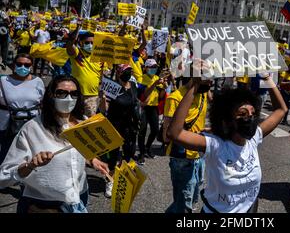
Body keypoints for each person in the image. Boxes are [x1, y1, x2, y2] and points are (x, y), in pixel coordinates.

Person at [166, 71, 288, 213]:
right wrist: (195, 85)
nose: (249, 117)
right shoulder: (215, 145)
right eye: (242, 114)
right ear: (226, 121)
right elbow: (174, 133)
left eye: (253, 113)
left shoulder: (253, 138)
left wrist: (267, 78)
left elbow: (281, 109)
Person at [0, 76, 109, 213]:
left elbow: (77, 152)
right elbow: (3, 177)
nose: (68, 98)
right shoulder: (32, 128)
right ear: (51, 95)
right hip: (43, 205)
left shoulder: (84, 122)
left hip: (79, 198)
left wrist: (92, 159)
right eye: (61, 93)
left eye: (74, 94)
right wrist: (30, 165)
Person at [163, 73, 210, 213]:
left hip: (199, 155)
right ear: (195, 79)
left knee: (194, 196)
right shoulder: (174, 99)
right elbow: (166, 137)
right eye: (207, 81)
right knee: (183, 204)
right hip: (182, 159)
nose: (211, 84)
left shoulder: (203, 92)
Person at [99, 65, 141, 198]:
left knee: (128, 154)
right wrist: (102, 98)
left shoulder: (133, 86)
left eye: (130, 71)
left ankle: (123, 180)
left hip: (130, 126)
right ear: (119, 73)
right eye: (126, 72)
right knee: (113, 155)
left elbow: (136, 103)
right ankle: (110, 181)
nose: (129, 74)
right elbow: (103, 109)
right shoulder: (113, 87)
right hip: (115, 125)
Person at [0, 54, 45, 164]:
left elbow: (43, 102)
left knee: (29, 152)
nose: (23, 67)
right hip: (6, 125)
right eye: (19, 64)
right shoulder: (3, 81)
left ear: (31, 66)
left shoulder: (38, 81)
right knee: (6, 154)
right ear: (14, 65)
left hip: (32, 123)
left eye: (27, 64)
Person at [66, 27, 102, 117]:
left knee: (88, 123)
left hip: (93, 97)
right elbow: (70, 44)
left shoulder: (99, 57)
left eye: (92, 43)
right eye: (87, 42)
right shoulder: (77, 54)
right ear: (81, 43)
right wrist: (78, 27)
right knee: (74, 120)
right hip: (76, 95)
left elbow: (101, 76)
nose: (90, 45)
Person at [137, 58, 167, 164]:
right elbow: (144, 94)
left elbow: (161, 96)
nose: (153, 69)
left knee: (155, 129)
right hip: (144, 107)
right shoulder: (141, 78)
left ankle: (147, 148)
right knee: (142, 131)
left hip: (153, 107)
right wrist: (154, 84)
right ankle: (141, 153)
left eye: (155, 67)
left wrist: (164, 87)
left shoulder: (157, 78)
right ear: (146, 68)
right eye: (151, 67)